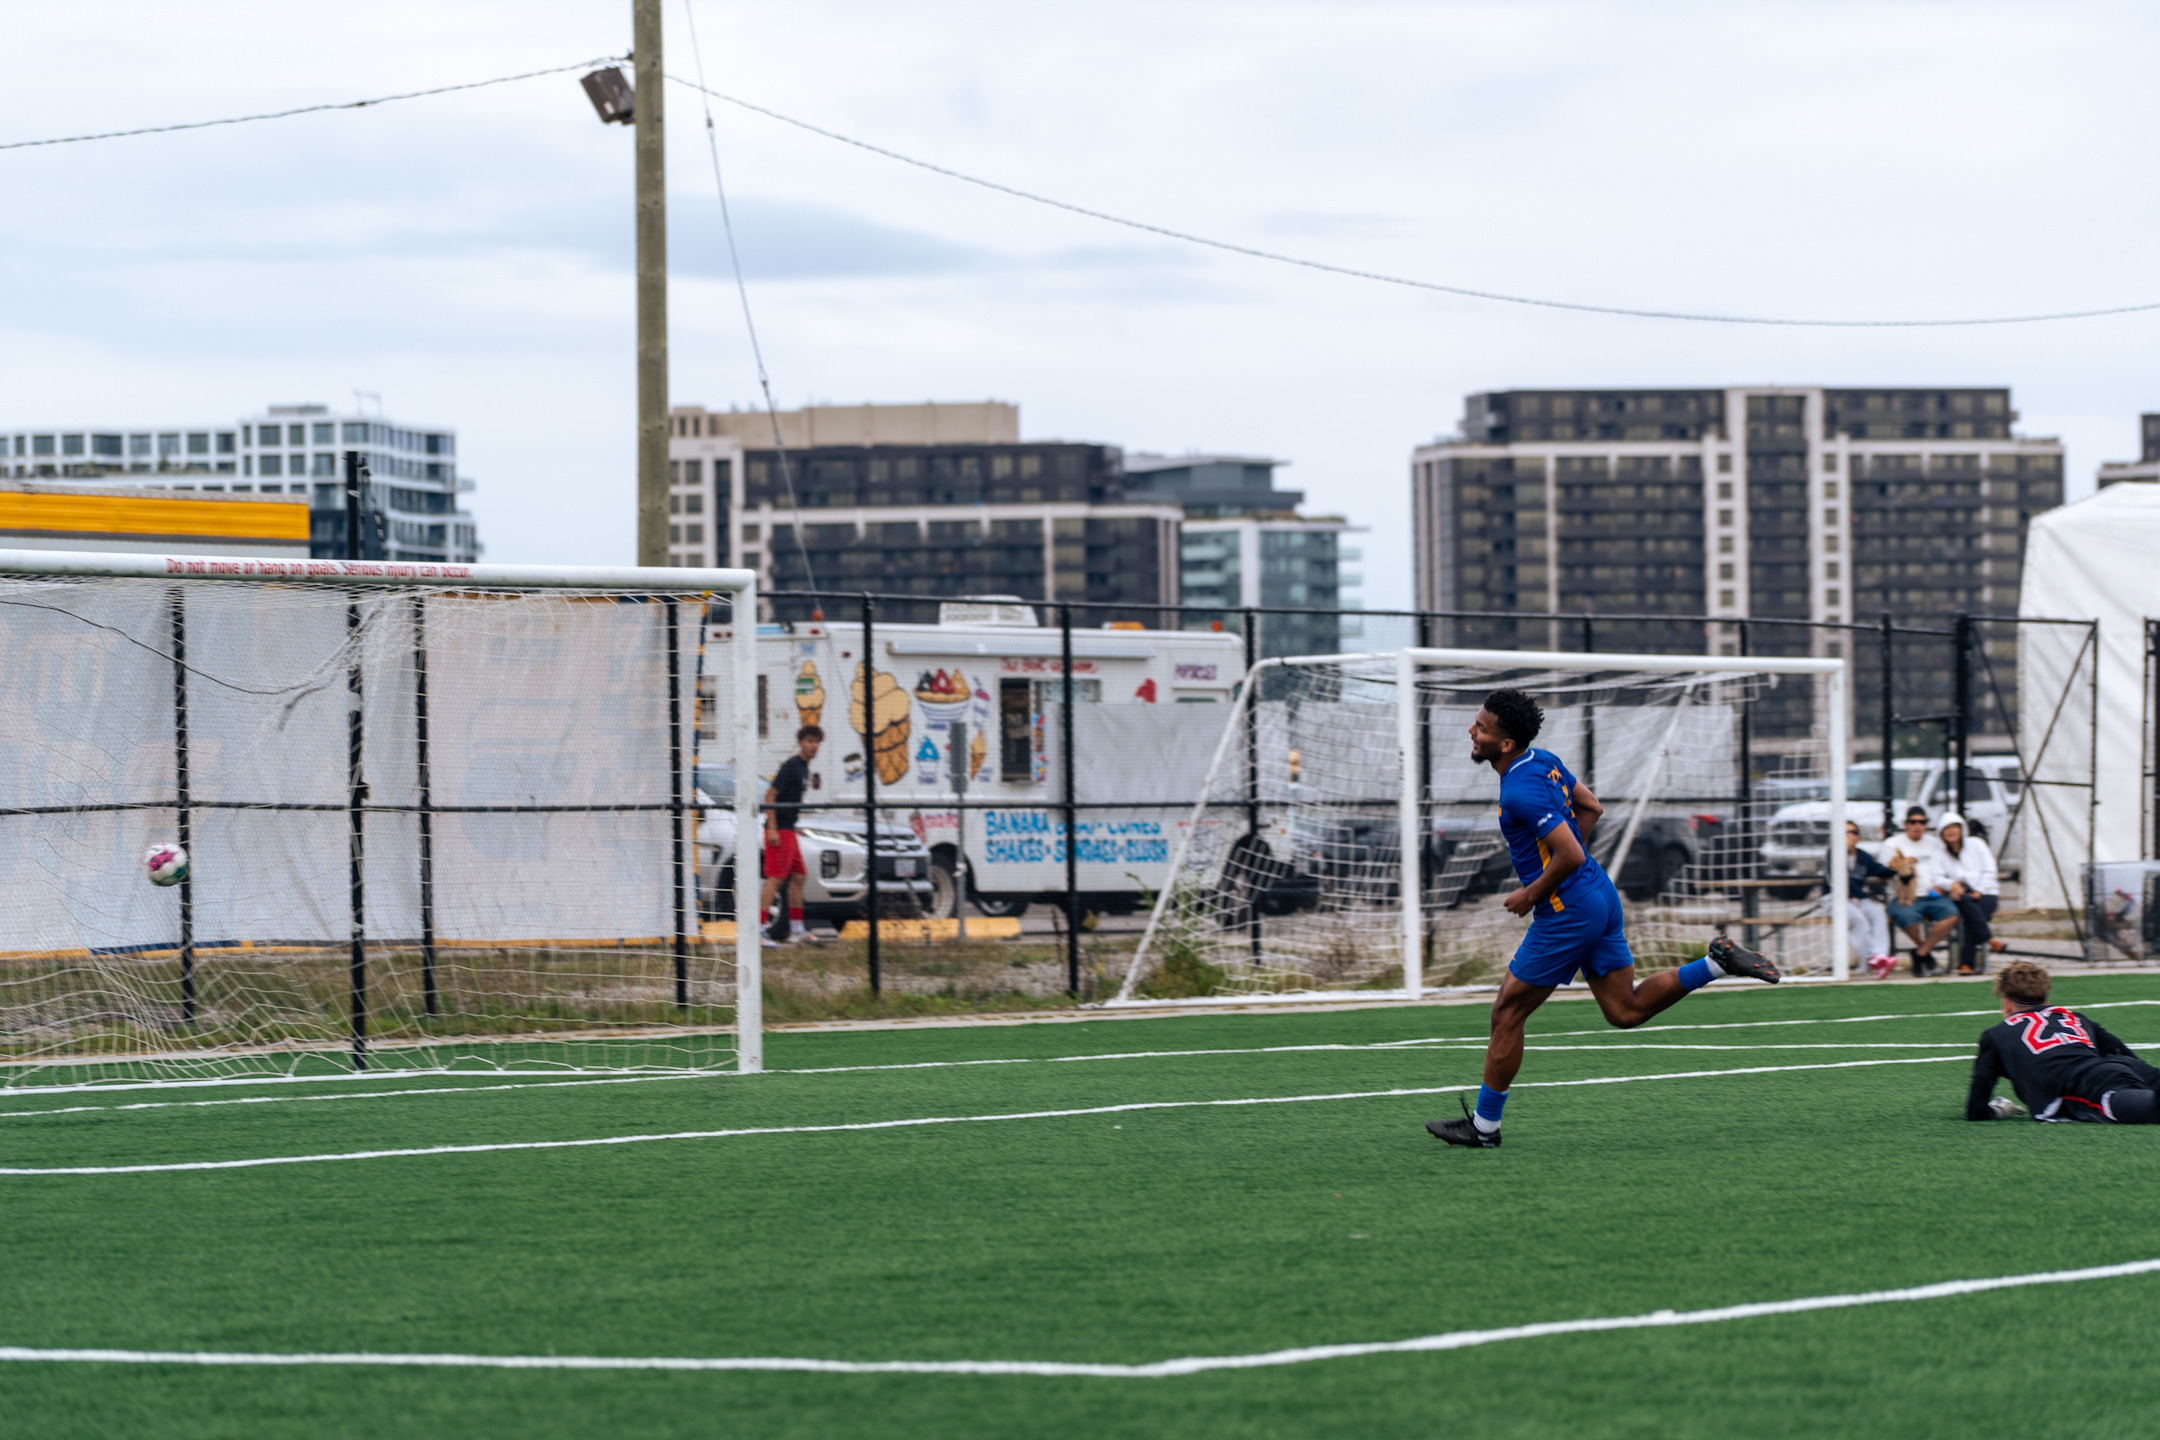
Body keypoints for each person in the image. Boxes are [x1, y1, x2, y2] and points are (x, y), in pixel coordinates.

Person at [1425, 688, 1781, 1149]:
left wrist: (1534, 892)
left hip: (1568, 910)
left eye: (1481, 728)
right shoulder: (1542, 760)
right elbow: (1591, 808)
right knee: (1624, 1010)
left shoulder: (1519, 789)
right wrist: (1570, 878)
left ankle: (1485, 1128)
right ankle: (1716, 962)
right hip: (1597, 895)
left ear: (1505, 743)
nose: (1471, 732)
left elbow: (1569, 851)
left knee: (1507, 1012)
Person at [1966, 961, 2160, 1124]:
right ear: (2046, 998)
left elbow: (1975, 1110)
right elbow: (2123, 1054)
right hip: (2120, 1067)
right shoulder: (2076, 1018)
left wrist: (1998, 1110)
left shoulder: (1995, 1034)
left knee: (2153, 1109)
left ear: (2007, 1004)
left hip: (2078, 1083)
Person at [759, 725, 823, 945]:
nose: (813, 746)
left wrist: (793, 825)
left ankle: (798, 929)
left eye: (816, 742)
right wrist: (774, 827)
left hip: (789, 829)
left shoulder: (805, 768)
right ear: (801, 743)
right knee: (776, 879)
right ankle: (759, 930)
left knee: (799, 876)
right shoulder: (791, 766)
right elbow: (771, 794)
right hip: (778, 830)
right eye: (809, 741)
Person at [1881, 805, 1957, 976]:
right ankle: (1925, 953)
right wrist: (1902, 866)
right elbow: (1883, 875)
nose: (1917, 826)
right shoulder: (1892, 844)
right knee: (1907, 917)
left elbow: (1946, 868)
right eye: (1913, 822)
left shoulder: (1935, 843)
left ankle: (1920, 953)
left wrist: (1941, 885)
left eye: (1922, 822)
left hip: (1932, 894)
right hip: (1903, 896)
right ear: (1905, 824)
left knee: (1952, 914)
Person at [1934, 811, 2004, 976]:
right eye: (1946, 828)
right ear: (1941, 832)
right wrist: (1952, 884)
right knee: (1964, 900)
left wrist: (1980, 889)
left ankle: (1967, 963)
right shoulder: (1940, 852)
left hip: (1987, 894)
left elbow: (1990, 869)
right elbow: (1937, 877)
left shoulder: (1977, 844)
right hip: (1960, 895)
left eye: (1954, 827)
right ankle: (1989, 940)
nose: (1951, 831)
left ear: (1961, 829)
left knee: (1970, 916)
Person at [1839, 820, 1898, 979]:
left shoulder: (1863, 856)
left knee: (1877, 914)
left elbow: (1880, 870)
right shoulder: (1834, 853)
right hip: (1835, 898)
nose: (1851, 836)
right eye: (1847, 832)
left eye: (1854, 832)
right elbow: (1838, 881)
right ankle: (1872, 958)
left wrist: (1900, 867)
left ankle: (1880, 957)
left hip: (1857, 898)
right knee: (1859, 919)